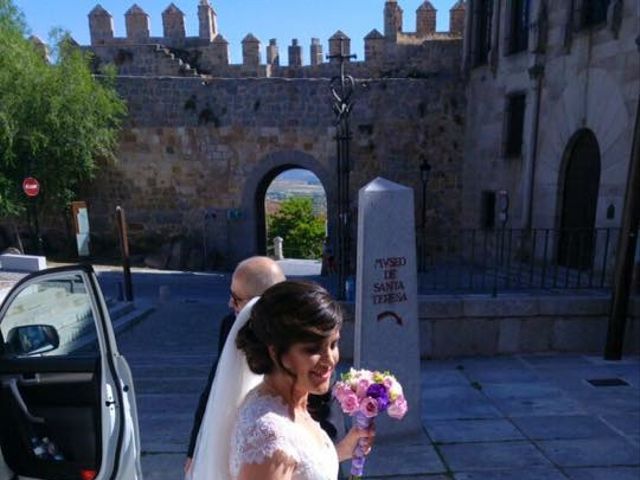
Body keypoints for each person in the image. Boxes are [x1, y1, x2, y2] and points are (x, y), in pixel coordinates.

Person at [230, 281, 374, 479]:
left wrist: (341, 450)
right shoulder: (269, 438)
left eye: (333, 344)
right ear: (275, 351)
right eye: (313, 349)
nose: (330, 359)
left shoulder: (288, 403)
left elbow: (299, 465)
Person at [184, 256, 286, 475]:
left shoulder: (297, 333)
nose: (230, 303)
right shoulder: (230, 325)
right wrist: (195, 450)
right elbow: (214, 385)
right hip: (232, 432)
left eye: (236, 298)